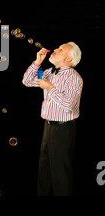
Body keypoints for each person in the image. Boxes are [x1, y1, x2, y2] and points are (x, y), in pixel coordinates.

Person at [22, 42, 83, 196]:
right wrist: (37, 62)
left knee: (60, 175)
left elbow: (68, 105)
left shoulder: (74, 78)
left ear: (69, 59)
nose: (55, 49)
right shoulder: (50, 72)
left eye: (60, 49)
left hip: (63, 129)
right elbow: (27, 81)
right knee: (44, 173)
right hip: (48, 127)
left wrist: (50, 88)